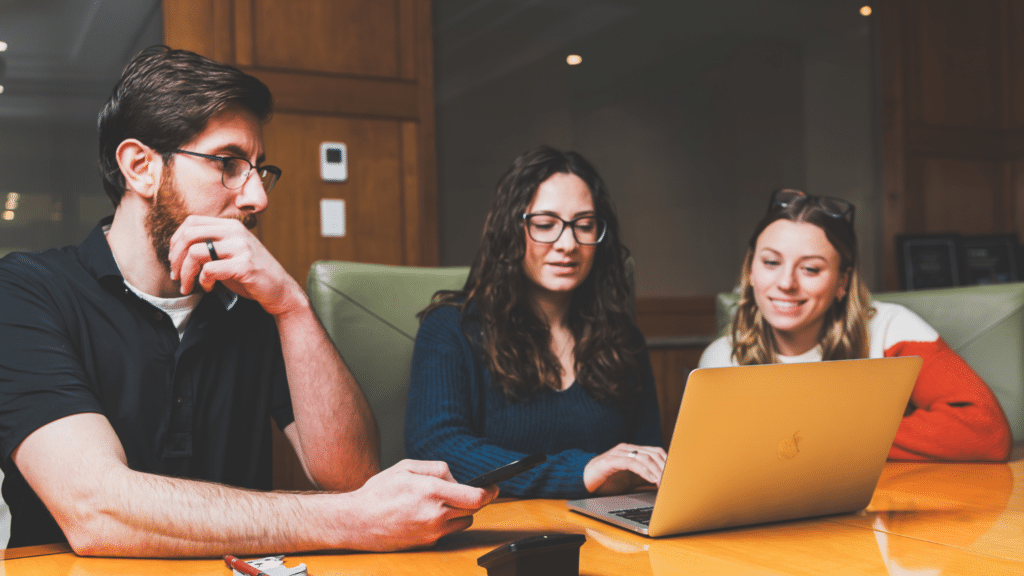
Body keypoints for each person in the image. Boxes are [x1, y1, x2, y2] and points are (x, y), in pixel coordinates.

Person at [0, 46, 495, 557]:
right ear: (141, 167)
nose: (258, 197)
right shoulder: (26, 292)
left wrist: (291, 306)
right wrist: (348, 521)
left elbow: (351, 477)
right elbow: (94, 509)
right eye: (229, 163)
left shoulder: (254, 303)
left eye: (259, 169)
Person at [405, 145, 666, 498]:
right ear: (511, 231)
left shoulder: (623, 338)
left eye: (585, 226)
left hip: (611, 535)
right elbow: (437, 448)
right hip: (494, 536)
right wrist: (581, 472)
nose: (568, 243)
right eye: (545, 225)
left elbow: (646, 457)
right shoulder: (452, 328)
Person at [699, 188, 1013, 461]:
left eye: (810, 268)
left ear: (842, 282)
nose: (786, 283)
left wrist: (831, 435)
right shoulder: (720, 359)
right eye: (771, 262)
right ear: (750, 271)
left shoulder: (892, 328)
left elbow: (985, 430)